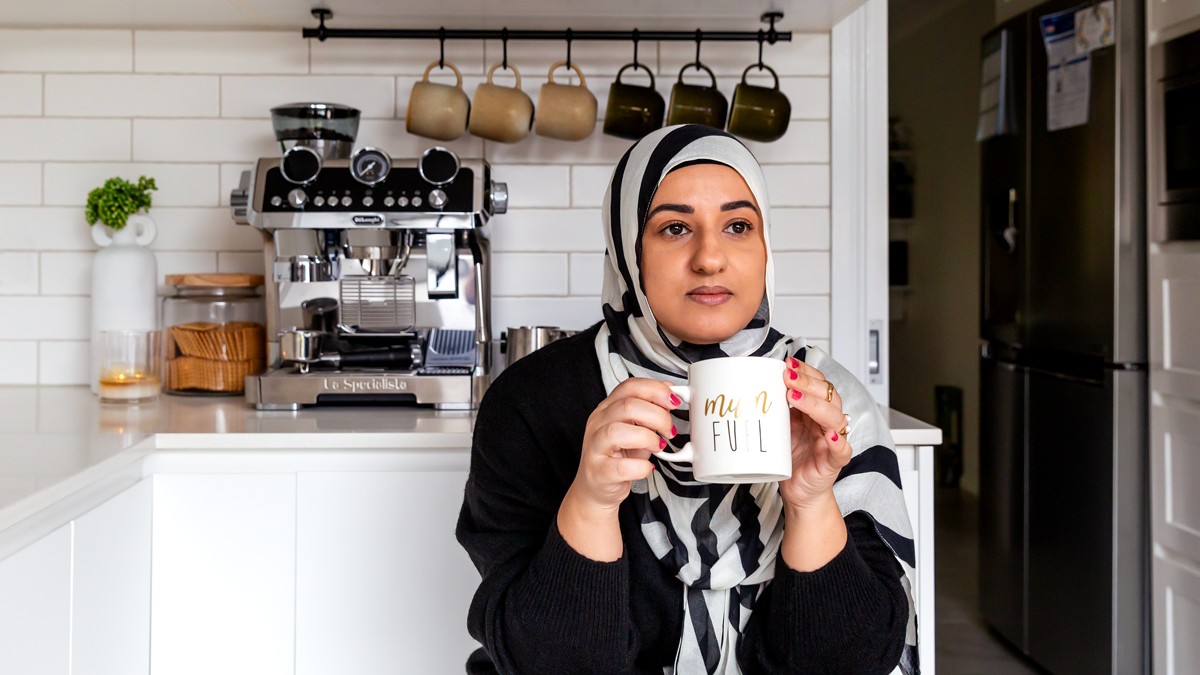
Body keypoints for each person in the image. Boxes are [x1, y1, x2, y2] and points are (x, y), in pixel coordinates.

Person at [457, 125, 918, 674]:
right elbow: (544, 662)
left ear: (766, 249)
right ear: (628, 248)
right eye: (675, 228)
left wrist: (811, 503)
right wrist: (591, 501)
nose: (710, 258)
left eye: (738, 226)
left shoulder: (824, 402)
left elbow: (848, 663)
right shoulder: (532, 402)